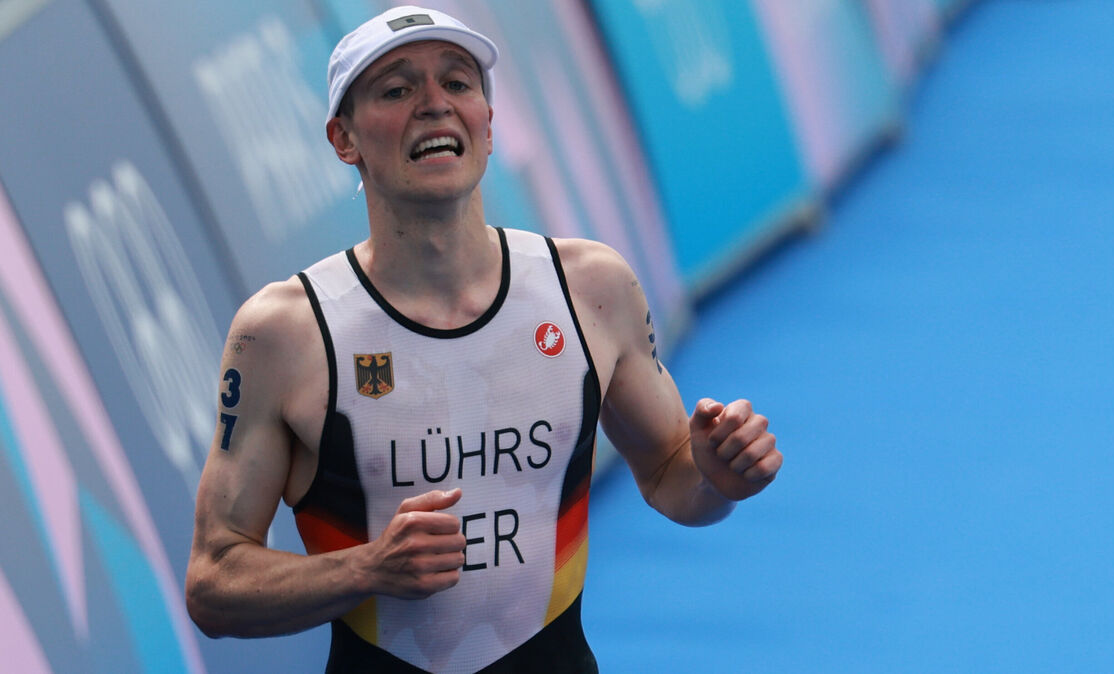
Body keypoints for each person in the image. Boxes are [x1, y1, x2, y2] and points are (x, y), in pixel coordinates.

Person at [185, 5, 782, 673]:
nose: (434, 105)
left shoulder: (591, 288)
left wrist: (718, 480)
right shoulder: (285, 333)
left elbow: (674, 479)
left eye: (459, 83)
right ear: (343, 139)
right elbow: (214, 584)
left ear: (488, 125)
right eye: (396, 89)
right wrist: (367, 569)